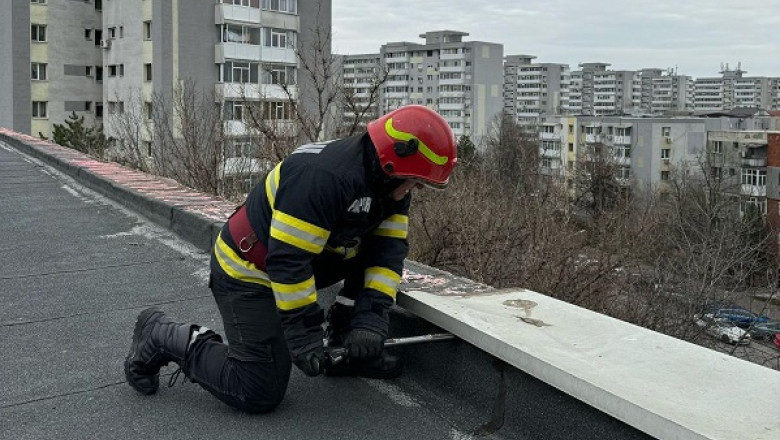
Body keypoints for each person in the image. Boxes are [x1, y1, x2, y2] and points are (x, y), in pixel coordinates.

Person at [124, 105, 457, 413]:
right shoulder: (324, 177)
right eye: (414, 181)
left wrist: (369, 323)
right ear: (390, 165)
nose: (412, 191)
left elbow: (387, 255)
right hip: (248, 270)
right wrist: (304, 336)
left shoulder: (388, 186)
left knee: (371, 249)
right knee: (257, 389)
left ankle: (343, 350)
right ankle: (160, 334)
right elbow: (288, 262)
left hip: (301, 265)